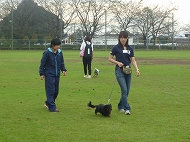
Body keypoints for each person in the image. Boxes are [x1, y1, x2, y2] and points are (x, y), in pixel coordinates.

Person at [108, 31, 140, 115]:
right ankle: (127, 108)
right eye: (121, 37)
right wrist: (117, 62)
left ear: (127, 38)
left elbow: (133, 60)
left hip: (128, 70)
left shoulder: (130, 48)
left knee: (127, 91)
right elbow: (110, 58)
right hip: (119, 71)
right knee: (124, 89)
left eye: (124, 37)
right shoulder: (116, 48)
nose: (123, 39)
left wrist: (137, 69)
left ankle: (120, 105)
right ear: (119, 38)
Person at [39, 38, 67, 112]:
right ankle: (52, 107)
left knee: (56, 92)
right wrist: (41, 73)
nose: (58, 47)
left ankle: (48, 102)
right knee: (50, 91)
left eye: (59, 45)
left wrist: (63, 69)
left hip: (57, 74)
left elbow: (61, 62)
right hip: (49, 74)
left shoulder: (60, 53)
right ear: (52, 45)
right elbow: (43, 64)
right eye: (56, 45)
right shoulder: (47, 53)